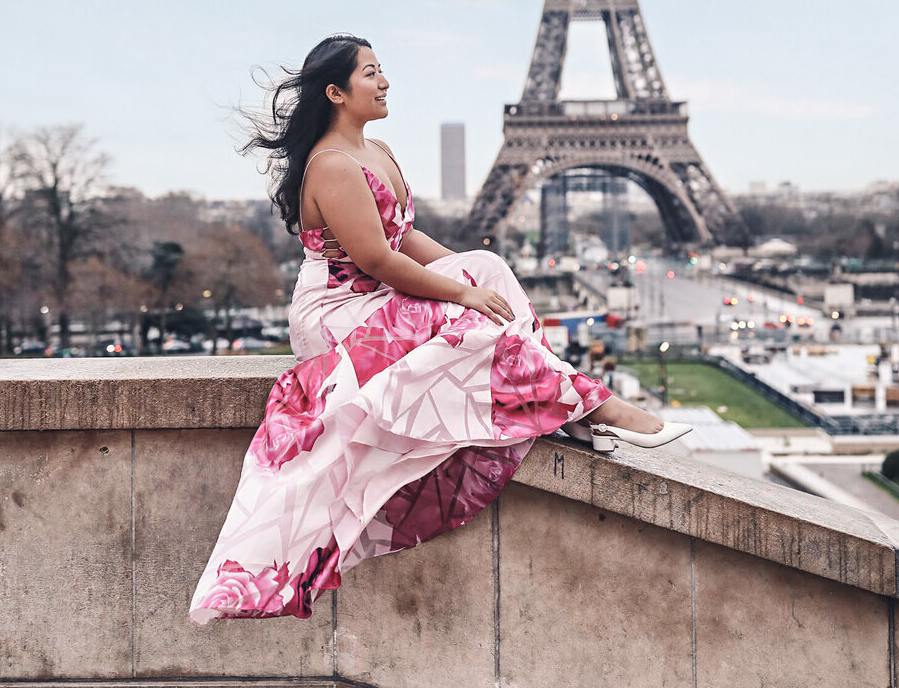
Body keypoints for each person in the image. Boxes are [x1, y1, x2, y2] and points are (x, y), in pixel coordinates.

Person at [189, 35, 691, 624]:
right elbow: (376, 260)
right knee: (462, 314)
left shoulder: (376, 150)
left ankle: (561, 403)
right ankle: (591, 406)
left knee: (489, 271)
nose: (384, 83)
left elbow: (407, 240)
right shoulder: (331, 165)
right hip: (340, 311)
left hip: (379, 297)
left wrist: (470, 274)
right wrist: (459, 291)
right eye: (371, 73)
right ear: (335, 92)